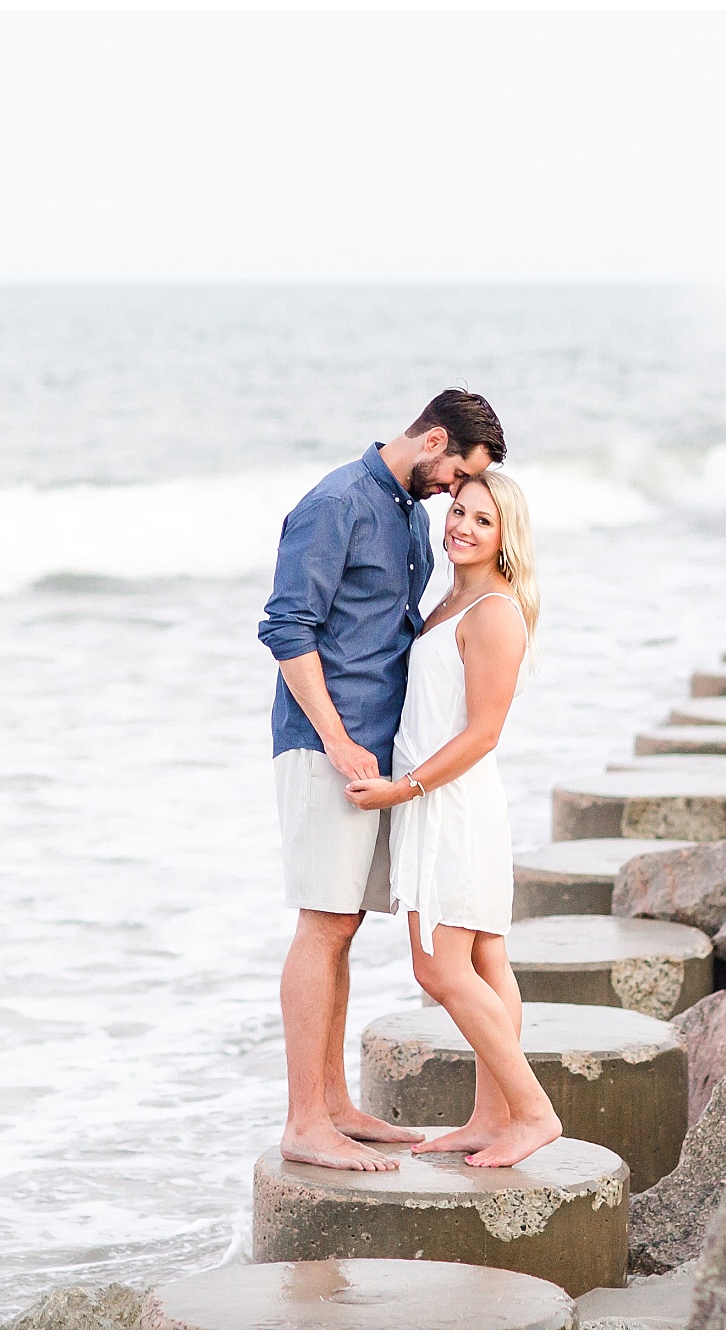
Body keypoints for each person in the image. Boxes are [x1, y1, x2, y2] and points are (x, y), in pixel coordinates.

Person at [258, 389, 508, 1172]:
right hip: (328, 748)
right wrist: (337, 742)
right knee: (321, 922)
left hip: (382, 758)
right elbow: (286, 625)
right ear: (433, 439)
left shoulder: (406, 511)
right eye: (457, 472)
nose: (454, 493)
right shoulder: (337, 503)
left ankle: (335, 1105)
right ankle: (305, 1120)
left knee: (346, 925)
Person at [344, 469, 560, 1168]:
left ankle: (533, 1112)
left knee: (438, 969)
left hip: (452, 805)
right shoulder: (451, 600)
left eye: (483, 521)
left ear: (506, 538)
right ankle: (491, 1118)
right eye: (459, 511)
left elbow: (483, 732)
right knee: (485, 961)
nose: (462, 526)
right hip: (441, 803)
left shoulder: (493, 611)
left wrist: (403, 789)